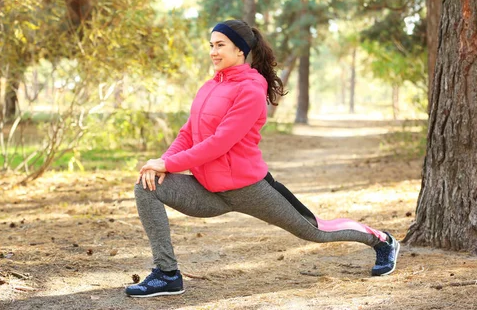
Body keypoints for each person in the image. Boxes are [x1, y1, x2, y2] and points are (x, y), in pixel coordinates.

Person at [125, 19, 400, 298]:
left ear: (240, 51)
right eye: (211, 45)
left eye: (220, 45)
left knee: (316, 231)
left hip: (250, 189)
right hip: (208, 189)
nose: (213, 52)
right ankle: (167, 274)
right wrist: (160, 163)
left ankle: (383, 241)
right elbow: (188, 133)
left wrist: (169, 164)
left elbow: (220, 143)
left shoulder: (250, 89)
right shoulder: (209, 87)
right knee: (147, 185)